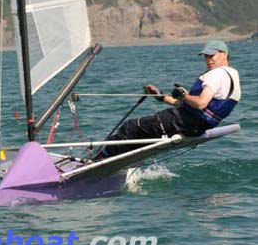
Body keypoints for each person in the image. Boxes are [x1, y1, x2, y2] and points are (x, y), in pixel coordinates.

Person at [100, 39, 241, 158]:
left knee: (130, 127)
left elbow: (200, 104)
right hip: (196, 127)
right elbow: (185, 104)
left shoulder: (216, 74)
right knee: (145, 135)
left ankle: (100, 159)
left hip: (183, 121)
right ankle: (118, 159)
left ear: (224, 54)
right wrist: (160, 96)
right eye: (205, 56)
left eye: (212, 55)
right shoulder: (233, 76)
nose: (208, 60)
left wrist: (184, 94)